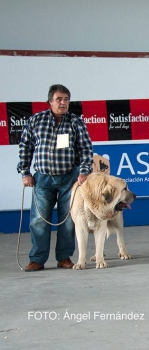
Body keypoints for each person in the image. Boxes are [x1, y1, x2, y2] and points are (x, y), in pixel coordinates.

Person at [17, 84, 94, 272]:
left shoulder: (76, 122)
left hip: (70, 179)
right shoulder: (36, 120)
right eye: (59, 99)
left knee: (68, 219)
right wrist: (25, 172)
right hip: (42, 178)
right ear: (50, 101)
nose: (63, 103)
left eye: (66, 99)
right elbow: (25, 146)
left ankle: (64, 257)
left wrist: (83, 172)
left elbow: (86, 149)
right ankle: (37, 259)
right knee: (38, 220)